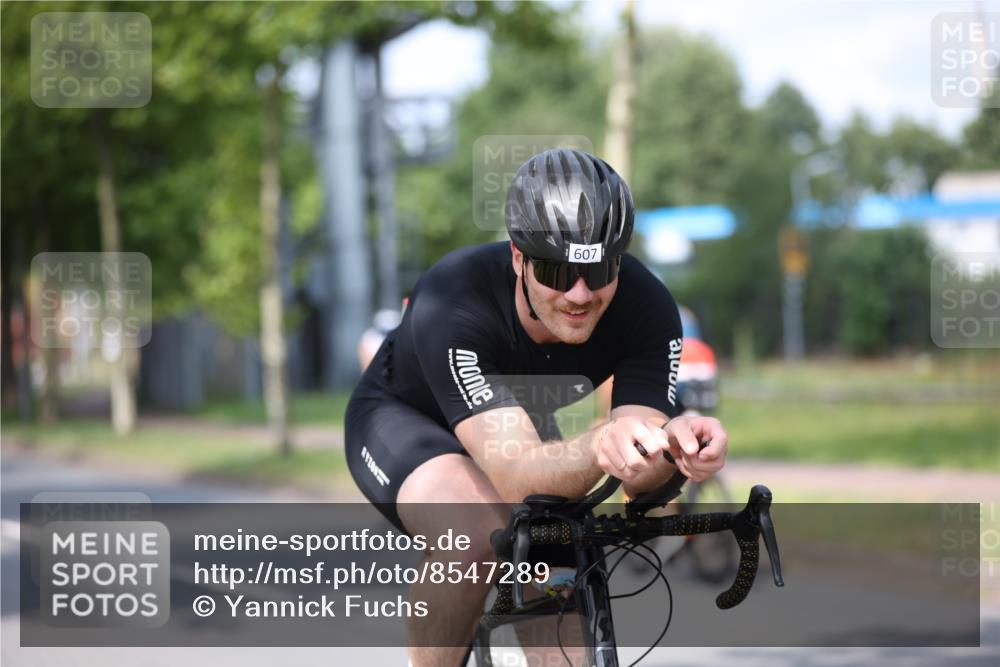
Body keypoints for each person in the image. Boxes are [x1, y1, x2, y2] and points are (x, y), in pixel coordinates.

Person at [345, 148, 729, 666]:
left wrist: (675, 445)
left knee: (555, 557)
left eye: (598, 272)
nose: (578, 294)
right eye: (555, 270)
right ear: (519, 258)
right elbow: (516, 475)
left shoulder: (647, 307)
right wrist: (598, 444)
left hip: (518, 423)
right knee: (475, 538)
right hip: (407, 419)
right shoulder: (455, 294)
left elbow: (642, 479)